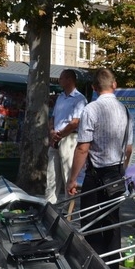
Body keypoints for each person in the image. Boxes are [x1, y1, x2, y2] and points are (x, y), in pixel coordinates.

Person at [66, 68, 132, 269]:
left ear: (94, 88)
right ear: (114, 85)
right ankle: (112, 267)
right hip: (116, 172)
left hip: (96, 175)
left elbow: (83, 148)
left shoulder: (91, 109)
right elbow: (128, 148)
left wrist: (72, 178)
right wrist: (122, 171)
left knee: (91, 221)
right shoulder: (125, 110)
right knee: (112, 220)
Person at [48, 69, 87, 204]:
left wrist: (60, 135)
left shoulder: (80, 99)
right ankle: (50, 205)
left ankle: (68, 208)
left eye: (61, 78)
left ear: (69, 79)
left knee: (67, 174)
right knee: (52, 175)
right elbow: (53, 117)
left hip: (69, 138)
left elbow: (75, 122)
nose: (59, 81)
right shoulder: (60, 97)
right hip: (56, 138)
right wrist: (52, 131)